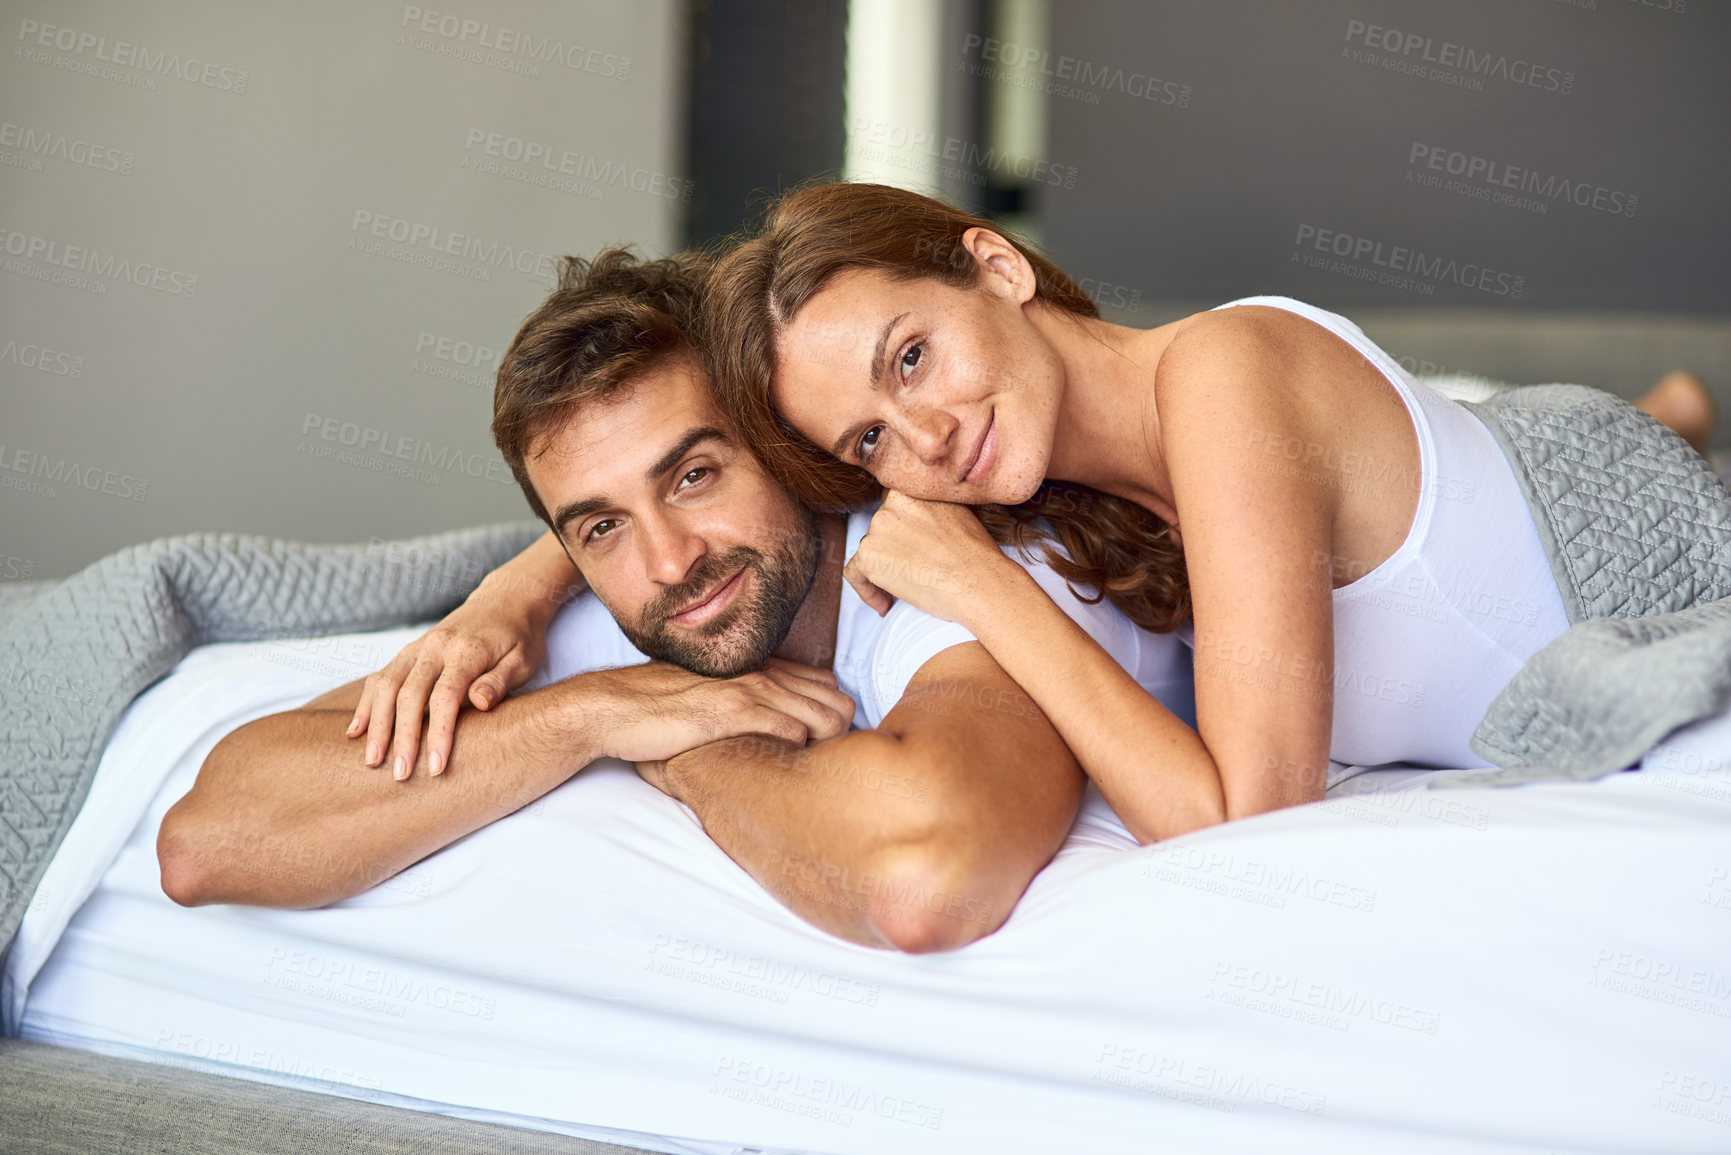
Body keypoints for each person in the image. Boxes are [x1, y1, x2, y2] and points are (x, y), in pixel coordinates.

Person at [156, 248, 1193, 953]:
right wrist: (592, 715)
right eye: (598, 527)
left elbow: (922, 877)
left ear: (786, 434)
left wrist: (681, 747)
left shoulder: (965, 547)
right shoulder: (650, 623)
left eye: (695, 475)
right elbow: (210, 841)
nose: (668, 563)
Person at [698, 181, 1720, 845]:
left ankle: (1668, 417)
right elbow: (712, 520)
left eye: (912, 359)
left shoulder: (1223, 374)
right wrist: (542, 572)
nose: (923, 439)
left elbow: (1248, 824)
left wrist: (985, 592)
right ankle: (1667, 413)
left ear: (999, 269)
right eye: (869, 440)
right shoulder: (1077, 504)